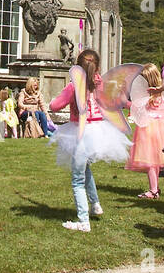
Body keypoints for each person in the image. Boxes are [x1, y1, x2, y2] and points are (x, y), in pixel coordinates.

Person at [50, 48, 131, 231]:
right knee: (86, 169)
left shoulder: (74, 86)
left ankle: (83, 221)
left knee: (77, 179)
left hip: (81, 131)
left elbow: (54, 106)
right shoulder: (99, 84)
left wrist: (68, 91)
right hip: (99, 131)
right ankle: (95, 204)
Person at [126, 63, 164, 199]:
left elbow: (137, 107)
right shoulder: (163, 92)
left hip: (148, 129)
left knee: (150, 160)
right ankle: (155, 187)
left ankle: (153, 190)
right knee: (155, 160)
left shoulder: (148, 94)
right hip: (162, 128)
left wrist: (124, 103)